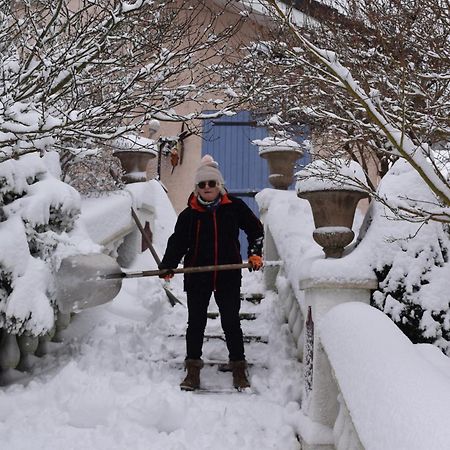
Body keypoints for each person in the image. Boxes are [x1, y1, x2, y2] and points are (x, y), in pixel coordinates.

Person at [158, 155, 264, 391]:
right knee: (195, 322)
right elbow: (178, 243)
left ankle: (238, 367)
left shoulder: (234, 207)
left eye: (212, 184)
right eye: (202, 184)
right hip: (197, 275)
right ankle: (192, 370)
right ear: (197, 187)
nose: (207, 188)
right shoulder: (189, 215)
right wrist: (168, 265)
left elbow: (256, 230)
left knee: (231, 321)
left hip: (228, 275)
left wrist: (255, 253)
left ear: (220, 185)